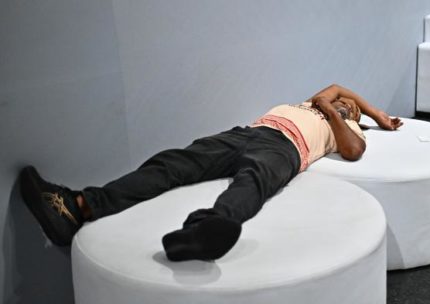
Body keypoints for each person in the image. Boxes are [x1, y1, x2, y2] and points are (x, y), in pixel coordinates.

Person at [19, 84, 402, 261]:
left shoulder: (347, 129)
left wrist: (354, 116)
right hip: (246, 133)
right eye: (343, 102)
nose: (346, 104)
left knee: (253, 183)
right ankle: (77, 206)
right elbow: (336, 87)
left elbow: (354, 152)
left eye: (351, 107)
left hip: (285, 150)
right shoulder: (311, 103)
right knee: (173, 163)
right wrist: (344, 103)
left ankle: (204, 231)